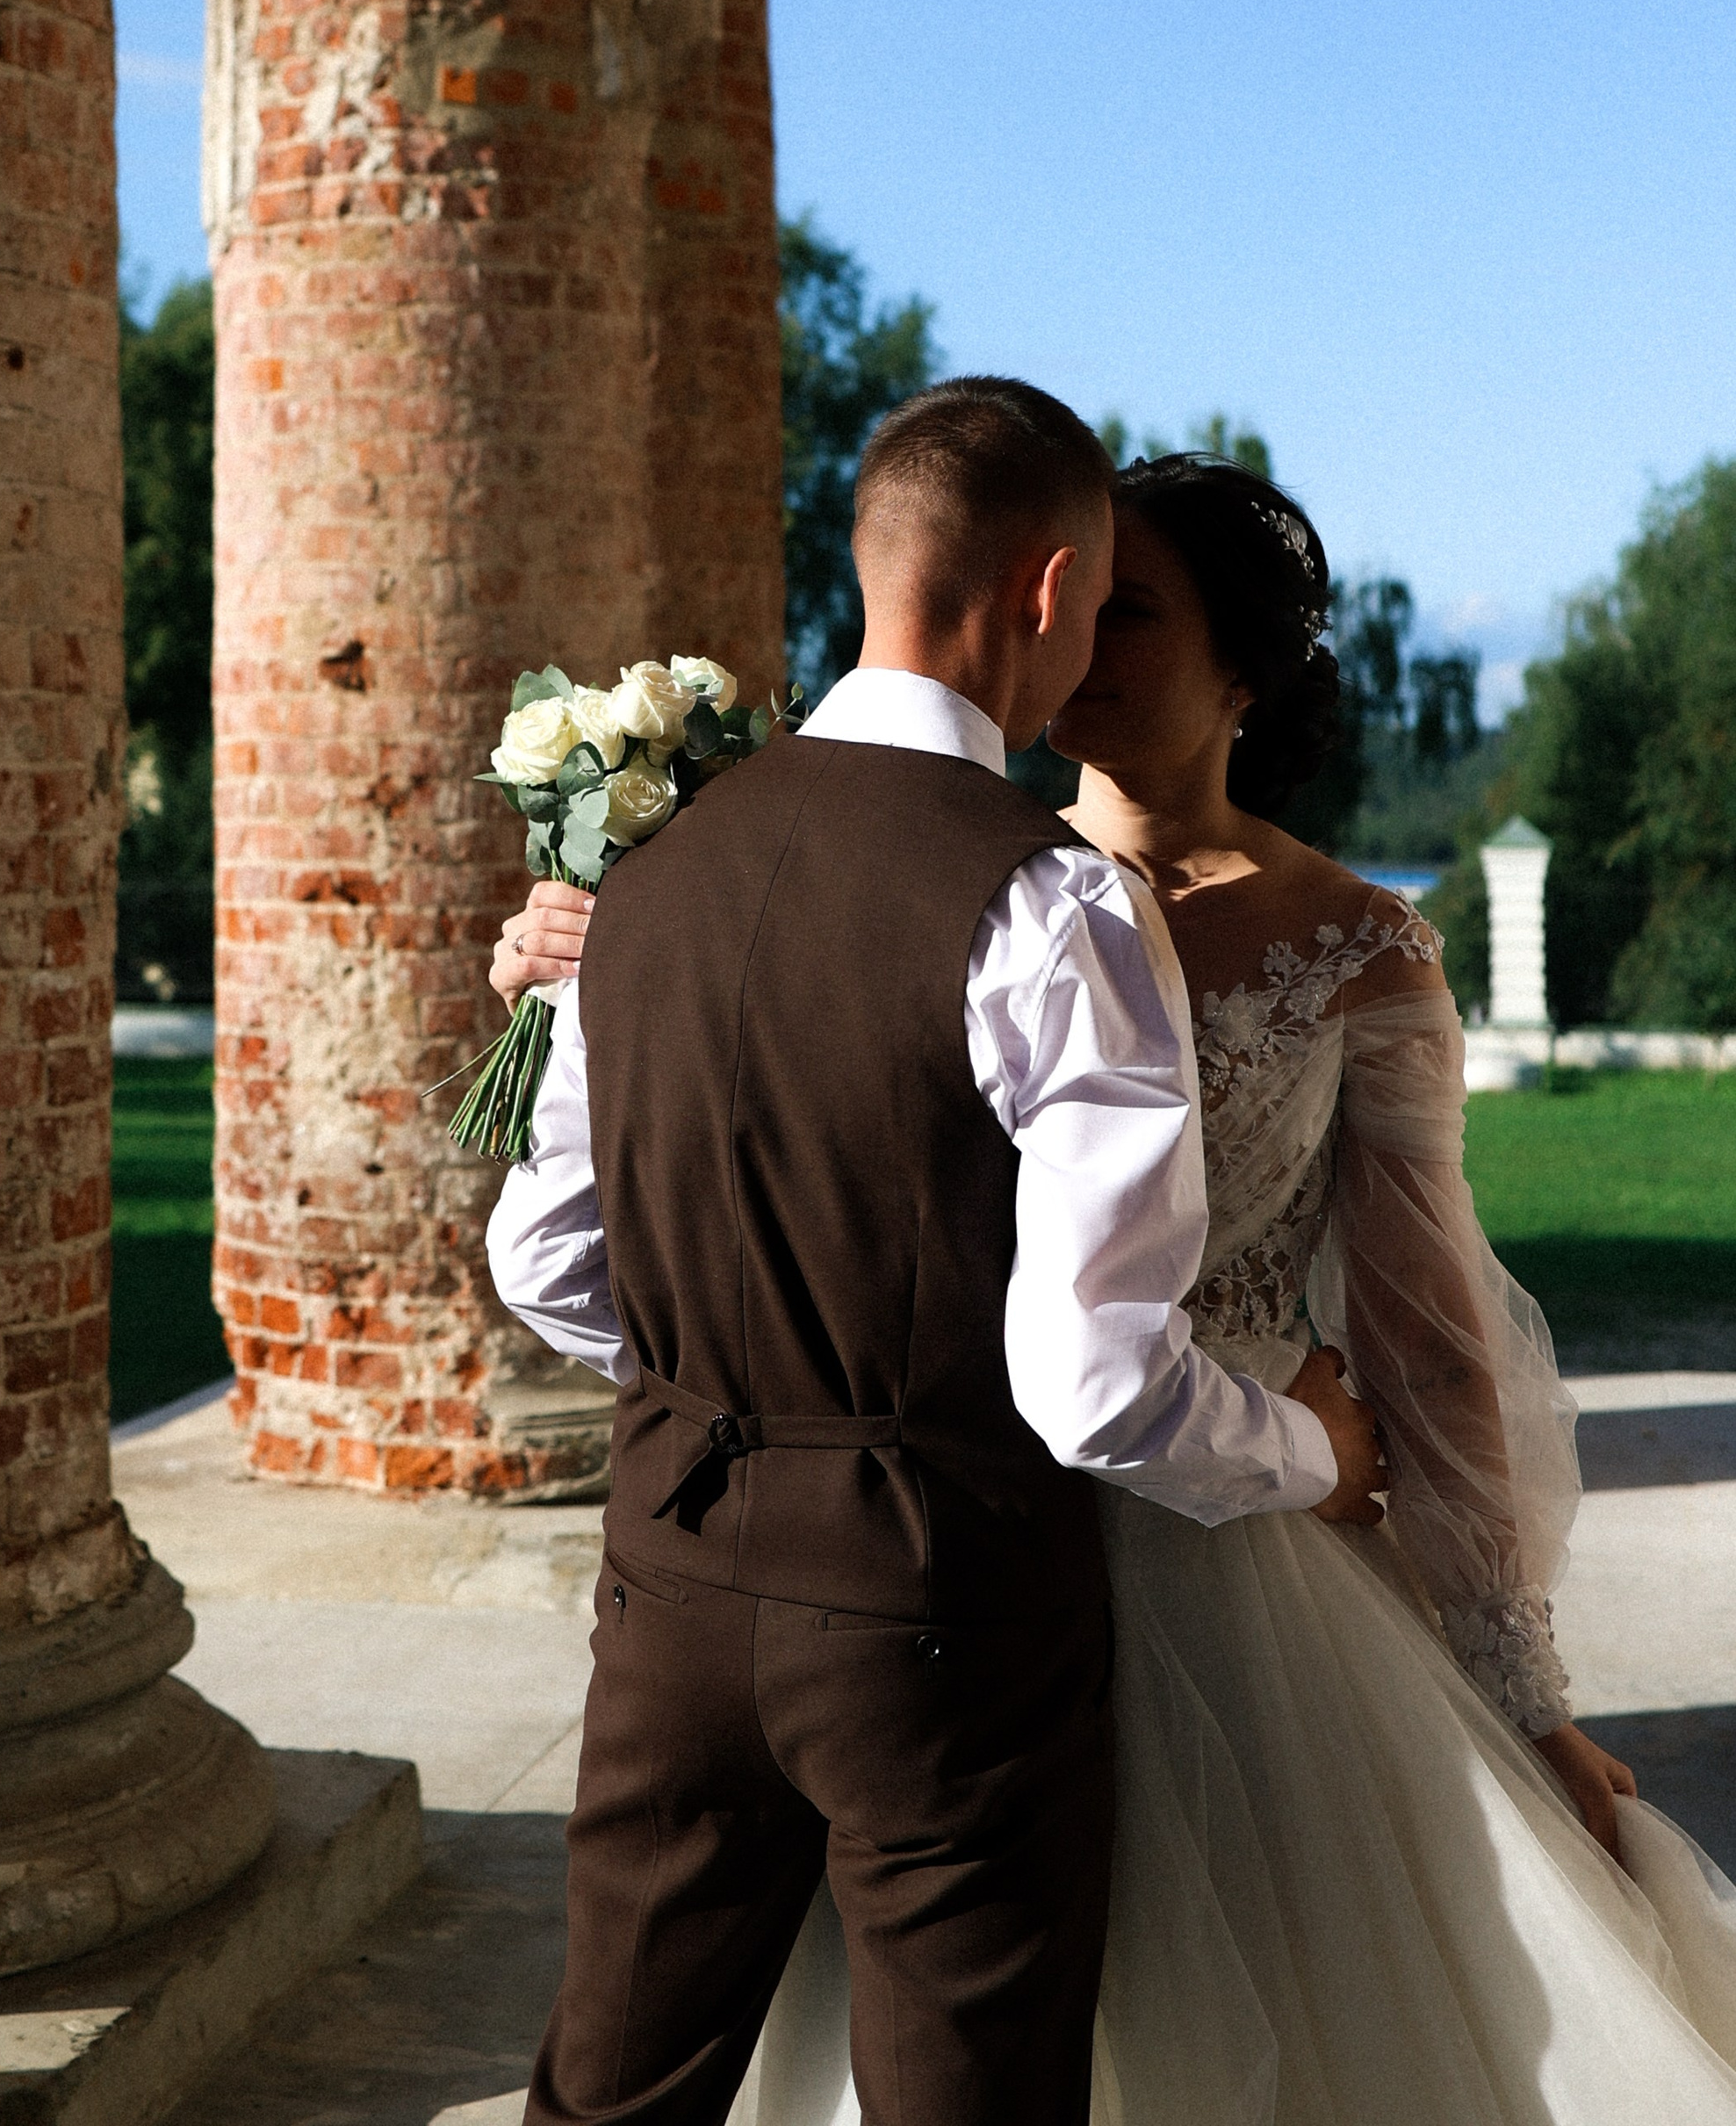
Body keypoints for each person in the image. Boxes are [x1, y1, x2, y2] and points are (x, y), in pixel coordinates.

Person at [495, 449, 1736, 2125]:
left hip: (1223, 1584)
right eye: (1088, 602)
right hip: (945, 1559)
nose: (1081, 648)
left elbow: (1433, 1343)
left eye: (1133, 612)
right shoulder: (956, 876)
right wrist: (609, 969)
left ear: (1243, 675)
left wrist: (1524, 1697)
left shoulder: (1357, 948)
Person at [485, 382, 1387, 2126]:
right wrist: (1312, 1452)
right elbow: (1092, 1385)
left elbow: (545, 1261)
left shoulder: (649, 874)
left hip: (663, 1587)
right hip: (931, 1617)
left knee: (603, 2095)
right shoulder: (1047, 905)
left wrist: (739, 1383)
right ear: (1044, 592)